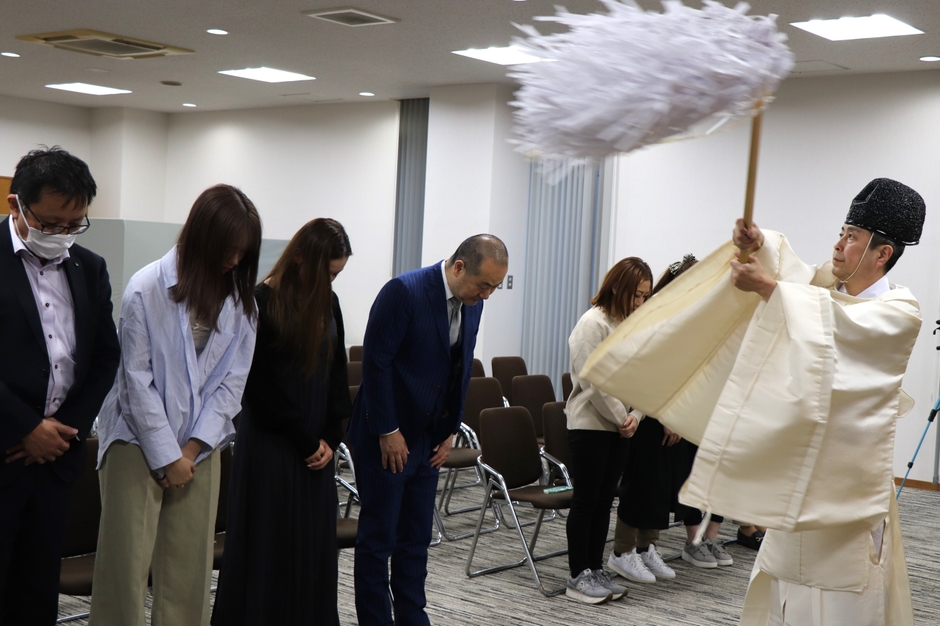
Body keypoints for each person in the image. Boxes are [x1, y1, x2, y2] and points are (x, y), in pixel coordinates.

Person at [581, 178, 925, 626]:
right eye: (841, 231)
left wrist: (769, 290)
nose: (838, 245)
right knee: (785, 589)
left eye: (852, 237)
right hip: (799, 473)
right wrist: (759, 245)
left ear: (883, 254)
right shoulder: (829, 289)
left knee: (841, 597)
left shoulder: (898, 310)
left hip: (845, 490)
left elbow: (837, 324)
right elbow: (797, 277)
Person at [89, 184, 261, 626]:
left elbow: (231, 385)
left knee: (189, 567)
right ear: (201, 237)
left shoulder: (242, 303)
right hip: (135, 441)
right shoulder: (146, 288)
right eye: (228, 250)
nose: (235, 261)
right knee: (125, 567)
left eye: (243, 252)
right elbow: (136, 383)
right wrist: (167, 455)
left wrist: (188, 453)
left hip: (201, 447)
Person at [349, 234, 508, 625]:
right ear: (458, 268)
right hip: (386, 438)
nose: (487, 295)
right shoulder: (404, 291)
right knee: (378, 541)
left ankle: (412, 617)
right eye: (483, 285)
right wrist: (388, 430)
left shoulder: (472, 303)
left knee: (415, 541)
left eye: (494, 287)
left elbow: (459, 368)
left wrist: (449, 428)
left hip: (428, 440)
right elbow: (377, 364)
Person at [212, 218, 353, 625]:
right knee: (268, 545)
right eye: (327, 273)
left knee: (312, 547)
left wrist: (329, 435)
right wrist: (304, 439)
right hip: (273, 443)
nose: (330, 282)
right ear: (302, 258)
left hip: (317, 449)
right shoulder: (258, 301)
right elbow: (258, 386)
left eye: (337, 276)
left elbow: (336, 373)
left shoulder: (330, 303)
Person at [0, 147, 120, 625]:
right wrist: (27, 426)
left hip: (56, 459)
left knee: (37, 587)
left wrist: (63, 428)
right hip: (4, 449)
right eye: (51, 224)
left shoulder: (88, 268)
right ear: (16, 205)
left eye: (75, 225)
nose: (62, 235)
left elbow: (105, 356)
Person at [609, 254, 733, 580]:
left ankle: (647, 547)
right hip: (646, 412)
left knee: (660, 487)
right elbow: (651, 372)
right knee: (641, 486)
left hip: (668, 413)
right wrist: (665, 414)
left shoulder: (685, 317)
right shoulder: (656, 316)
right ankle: (623, 551)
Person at [564, 256, 652, 604]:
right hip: (591, 426)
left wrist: (638, 415)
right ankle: (577, 576)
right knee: (586, 502)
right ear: (617, 286)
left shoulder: (630, 324)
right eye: (636, 295)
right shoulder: (593, 323)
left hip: (621, 427)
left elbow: (645, 376)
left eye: (645, 296)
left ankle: (595, 567)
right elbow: (593, 380)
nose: (640, 303)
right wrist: (622, 417)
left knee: (604, 503)